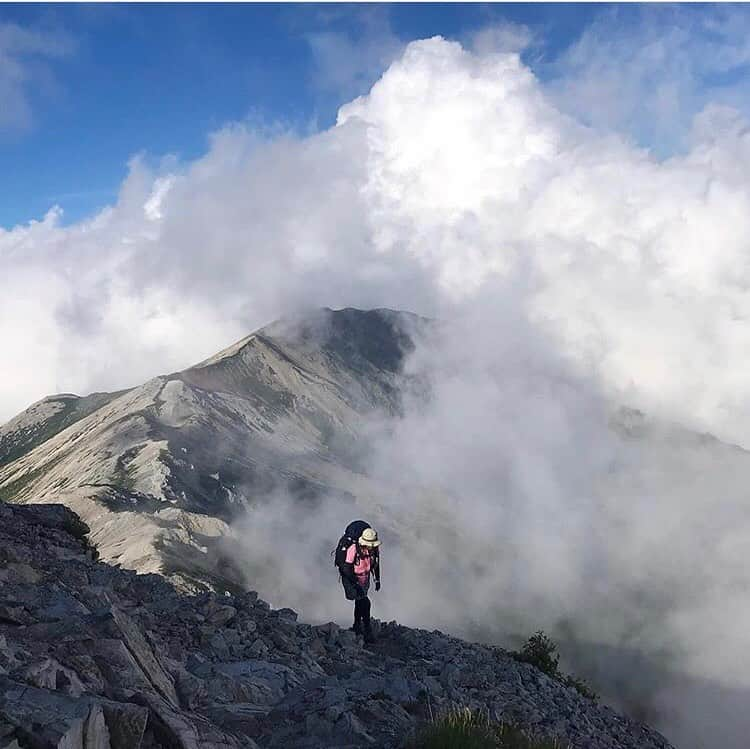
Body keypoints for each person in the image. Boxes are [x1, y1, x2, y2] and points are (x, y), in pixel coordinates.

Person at [340, 526, 381, 643]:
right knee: (365, 602)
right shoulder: (353, 549)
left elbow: (376, 564)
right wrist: (356, 584)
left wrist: (377, 579)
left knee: (359, 602)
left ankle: (357, 626)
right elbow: (347, 568)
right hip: (353, 579)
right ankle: (367, 629)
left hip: (364, 578)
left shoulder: (374, 550)